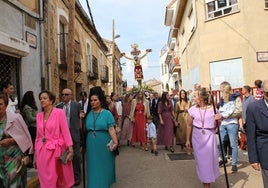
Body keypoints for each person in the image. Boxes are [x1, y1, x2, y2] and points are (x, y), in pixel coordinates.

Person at [34, 90, 74, 187]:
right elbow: (38, 137)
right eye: (40, 99)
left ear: (51, 101)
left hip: (55, 150)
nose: (42, 101)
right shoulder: (39, 116)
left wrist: (70, 150)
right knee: (44, 179)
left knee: (56, 178)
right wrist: (35, 155)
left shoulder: (59, 113)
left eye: (44, 98)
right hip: (42, 152)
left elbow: (65, 131)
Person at [186, 88, 220, 188]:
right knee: (201, 163)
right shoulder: (192, 110)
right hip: (197, 138)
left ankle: (207, 183)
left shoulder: (213, 109)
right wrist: (187, 140)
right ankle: (206, 183)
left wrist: (219, 120)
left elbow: (218, 125)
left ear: (201, 98)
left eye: (195, 96)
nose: (193, 98)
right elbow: (188, 125)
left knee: (209, 162)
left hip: (210, 137)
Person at [84, 86, 118, 188]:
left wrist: (115, 142)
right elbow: (83, 129)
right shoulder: (88, 114)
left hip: (104, 143)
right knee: (93, 166)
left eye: (95, 100)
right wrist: (81, 119)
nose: (93, 102)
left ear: (100, 101)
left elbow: (111, 129)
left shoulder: (107, 113)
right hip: (91, 144)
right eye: (91, 100)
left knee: (104, 166)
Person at [0, 93, 33, 187]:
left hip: (13, 157)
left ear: (6, 105)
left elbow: (25, 136)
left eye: (0, 104)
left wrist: (12, 140)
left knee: (13, 183)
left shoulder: (15, 118)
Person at [56, 88, 82, 186]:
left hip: (73, 133)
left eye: (66, 94)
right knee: (64, 156)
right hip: (62, 135)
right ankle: (66, 177)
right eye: (62, 94)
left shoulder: (77, 105)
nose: (64, 96)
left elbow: (80, 118)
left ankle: (77, 177)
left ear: (71, 95)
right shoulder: (58, 107)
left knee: (76, 156)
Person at [246, 79, 268, 188]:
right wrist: (253, 158)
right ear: (263, 92)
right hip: (265, 151)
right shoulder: (253, 108)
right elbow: (250, 135)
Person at [218, 81, 242, 172]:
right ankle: (223, 158)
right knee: (220, 142)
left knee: (233, 144)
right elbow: (220, 110)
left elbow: (239, 111)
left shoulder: (236, 98)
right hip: (223, 124)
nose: (220, 90)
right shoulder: (222, 99)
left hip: (232, 124)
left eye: (221, 88)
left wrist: (227, 115)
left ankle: (234, 164)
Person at [21, 90, 38, 167]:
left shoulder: (30, 106)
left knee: (34, 144)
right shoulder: (27, 107)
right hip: (31, 128)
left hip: (34, 127)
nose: (34, 97)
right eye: (33, 96)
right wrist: (39, 117)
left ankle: (33, 160)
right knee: (31, 144)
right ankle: (29, 161)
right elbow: (30, 118)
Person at [240, 85, 255, 150]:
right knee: (244, 135)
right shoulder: (244, 99)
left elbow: (253, 109)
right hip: (244, 120)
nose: (241, 91)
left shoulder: (252, 98)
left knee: (251, 136)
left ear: (246, 90)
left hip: (249, 120)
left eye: (243, 89)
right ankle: (245, 147)